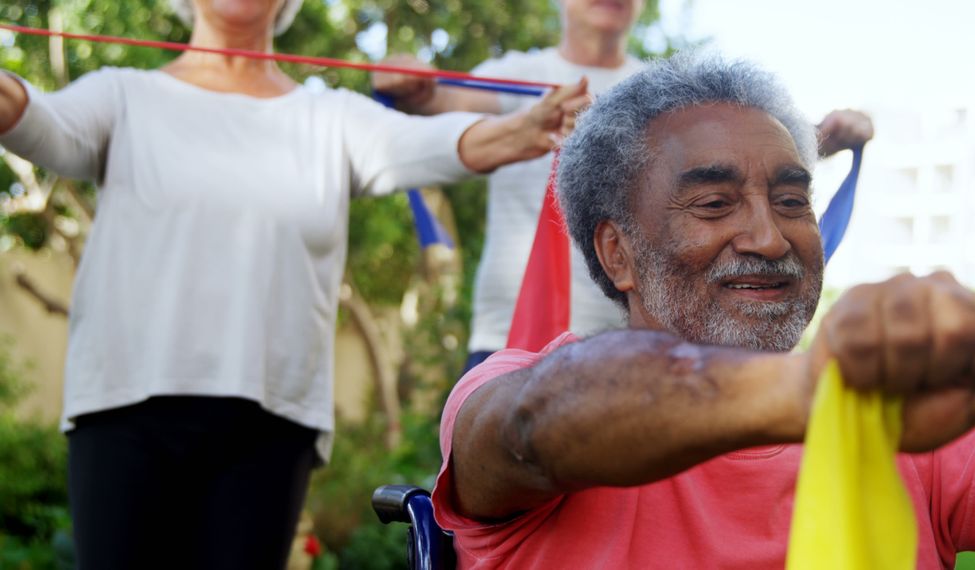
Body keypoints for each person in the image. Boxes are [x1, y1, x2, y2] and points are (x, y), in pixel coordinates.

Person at [431, 51, 975, 569]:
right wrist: (819, 393)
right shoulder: (509, 392)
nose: (771, 239)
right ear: (617, 253)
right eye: (714, 204)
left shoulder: (905, 422)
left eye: (793, 202)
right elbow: (537, 422)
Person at [0, 0, 588, 568]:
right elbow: (39, 123)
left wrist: (528, 128)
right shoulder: (122, 94)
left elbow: (448, 143)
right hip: (124, 409)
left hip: (269, 426)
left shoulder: (328, 116)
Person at [372, 0, 874, 371]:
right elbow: (439, 106)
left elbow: (752, 162)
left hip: (647, 338)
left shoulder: (659, 91)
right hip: (516, 334)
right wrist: (409, 84)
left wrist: (831, 136)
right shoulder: (516, 75)